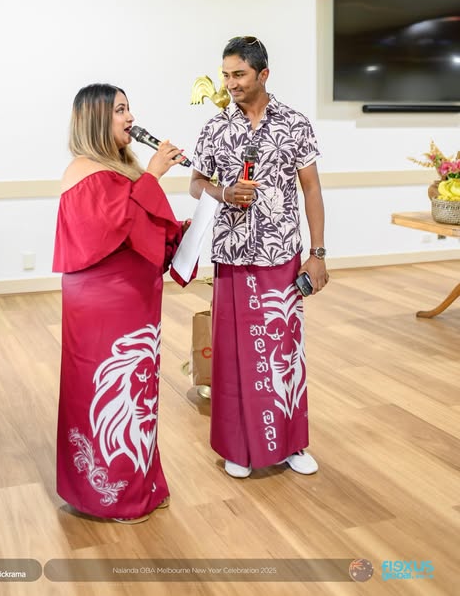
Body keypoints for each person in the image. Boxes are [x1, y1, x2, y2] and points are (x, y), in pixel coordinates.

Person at [189, 36, 328, 479]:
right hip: (231, 257)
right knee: (231, 355)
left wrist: (318, 253)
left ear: (263, 74)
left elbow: (311, 190)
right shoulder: (215, 128)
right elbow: (196, 184)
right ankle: (237, 446)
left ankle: (291, 444)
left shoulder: (295, 124)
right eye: (226, 74)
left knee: (284, 353)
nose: (230, 83)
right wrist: (223, 192)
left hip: (281, 256)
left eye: (239, 75)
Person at [53, 83, 188, 523]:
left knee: (139, 393)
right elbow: (112, 226)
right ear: (95, 119)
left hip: (131, 301)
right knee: (111, 391)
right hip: (104, 305)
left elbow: (141, 222)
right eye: (120, 110)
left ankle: (143, 484)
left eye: (129, 108)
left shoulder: (118, 167)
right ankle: (109, 495)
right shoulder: (83, 170)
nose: (130, 118)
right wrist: (152, 175)